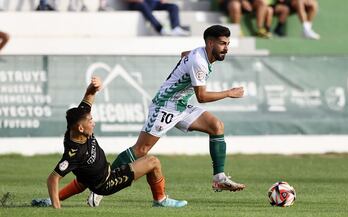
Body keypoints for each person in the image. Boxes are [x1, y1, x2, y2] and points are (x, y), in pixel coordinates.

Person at [58, 25, 246, 207]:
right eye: (223, 43)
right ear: (210, 43)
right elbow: (202, 96)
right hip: (165, 105)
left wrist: (185, 62)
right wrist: (229, 92)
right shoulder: (200, 61)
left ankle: (219, 178)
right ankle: (100, 188)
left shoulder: (199, 53)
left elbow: (184, 54)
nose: (226, 48)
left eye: (228, 44)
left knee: (216, 126)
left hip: (179, 105)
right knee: (141, 149)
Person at [44, 76, 187, 208]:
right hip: (105, 183)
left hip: (100, 173)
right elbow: (52, 179)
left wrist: (95, 86)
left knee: (84, 176)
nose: (93, 123)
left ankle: (52, 199)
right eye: (90, 121)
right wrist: (57, 210)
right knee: (153, 162)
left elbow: (89, 95)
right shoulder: (74, 153)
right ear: (81, 128)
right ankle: (160, 200)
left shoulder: (79, 120)